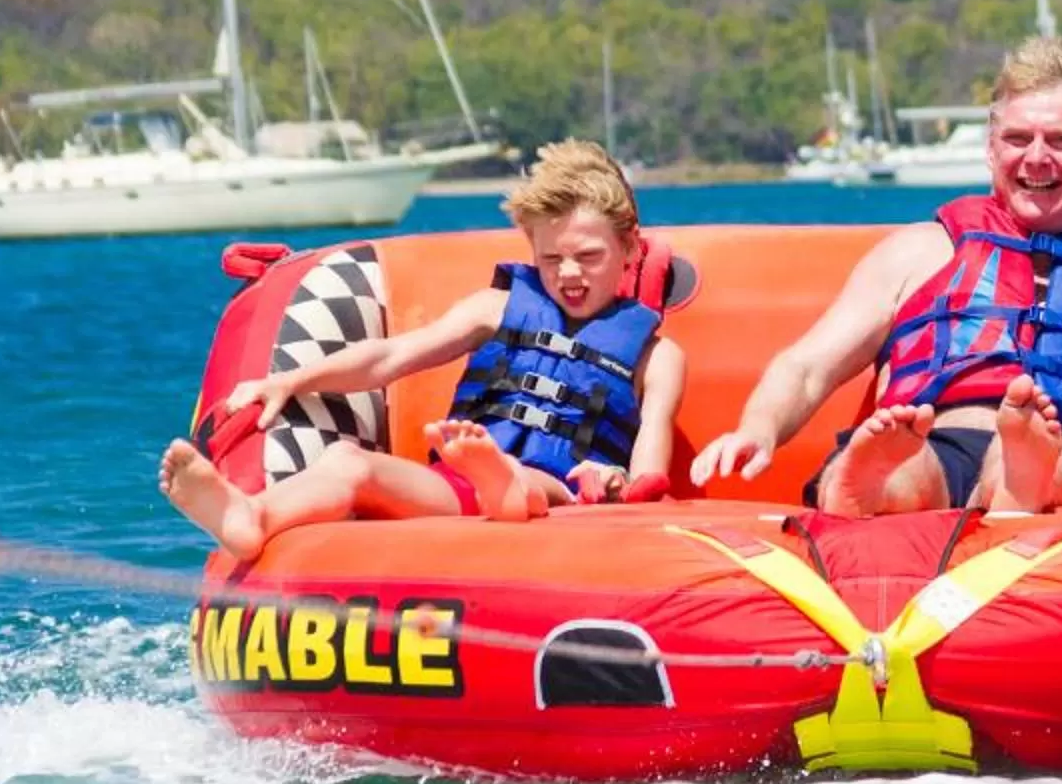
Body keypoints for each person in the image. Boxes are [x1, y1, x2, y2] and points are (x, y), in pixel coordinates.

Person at [690, 37, 1062, 514]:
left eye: (1059, 141)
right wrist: (759, 427)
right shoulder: (919, 251)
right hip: (934, 436)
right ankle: (868, 485)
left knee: (1044, 466)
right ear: (991, 148)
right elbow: (807, 367)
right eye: (1017, 139)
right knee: (912, 471)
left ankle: (1016, 477)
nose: (1035, 158)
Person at [158, 140, 684, 556]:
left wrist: (621, 483)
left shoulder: (656, 356)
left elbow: (649, 469)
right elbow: (389, 357)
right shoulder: (494, 307)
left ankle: (502, 484)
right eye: (551, 259)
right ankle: (251, 517)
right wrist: (289, 381)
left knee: (523, 482)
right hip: (459, 484)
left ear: (630, 247)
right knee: (348, 460)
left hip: (567, 492)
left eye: (588, 256)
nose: (568, 274)